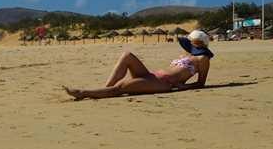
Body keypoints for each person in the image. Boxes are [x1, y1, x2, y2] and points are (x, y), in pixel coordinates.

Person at [63, 30, 213, 100]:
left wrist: (184, 87)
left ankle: (84, 93)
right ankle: (104, 89)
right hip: (152, 76)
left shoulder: (202, 60)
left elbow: (201, 83)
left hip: (162, 83)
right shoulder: (187, 55)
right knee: (127, 56)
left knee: (120, 89)